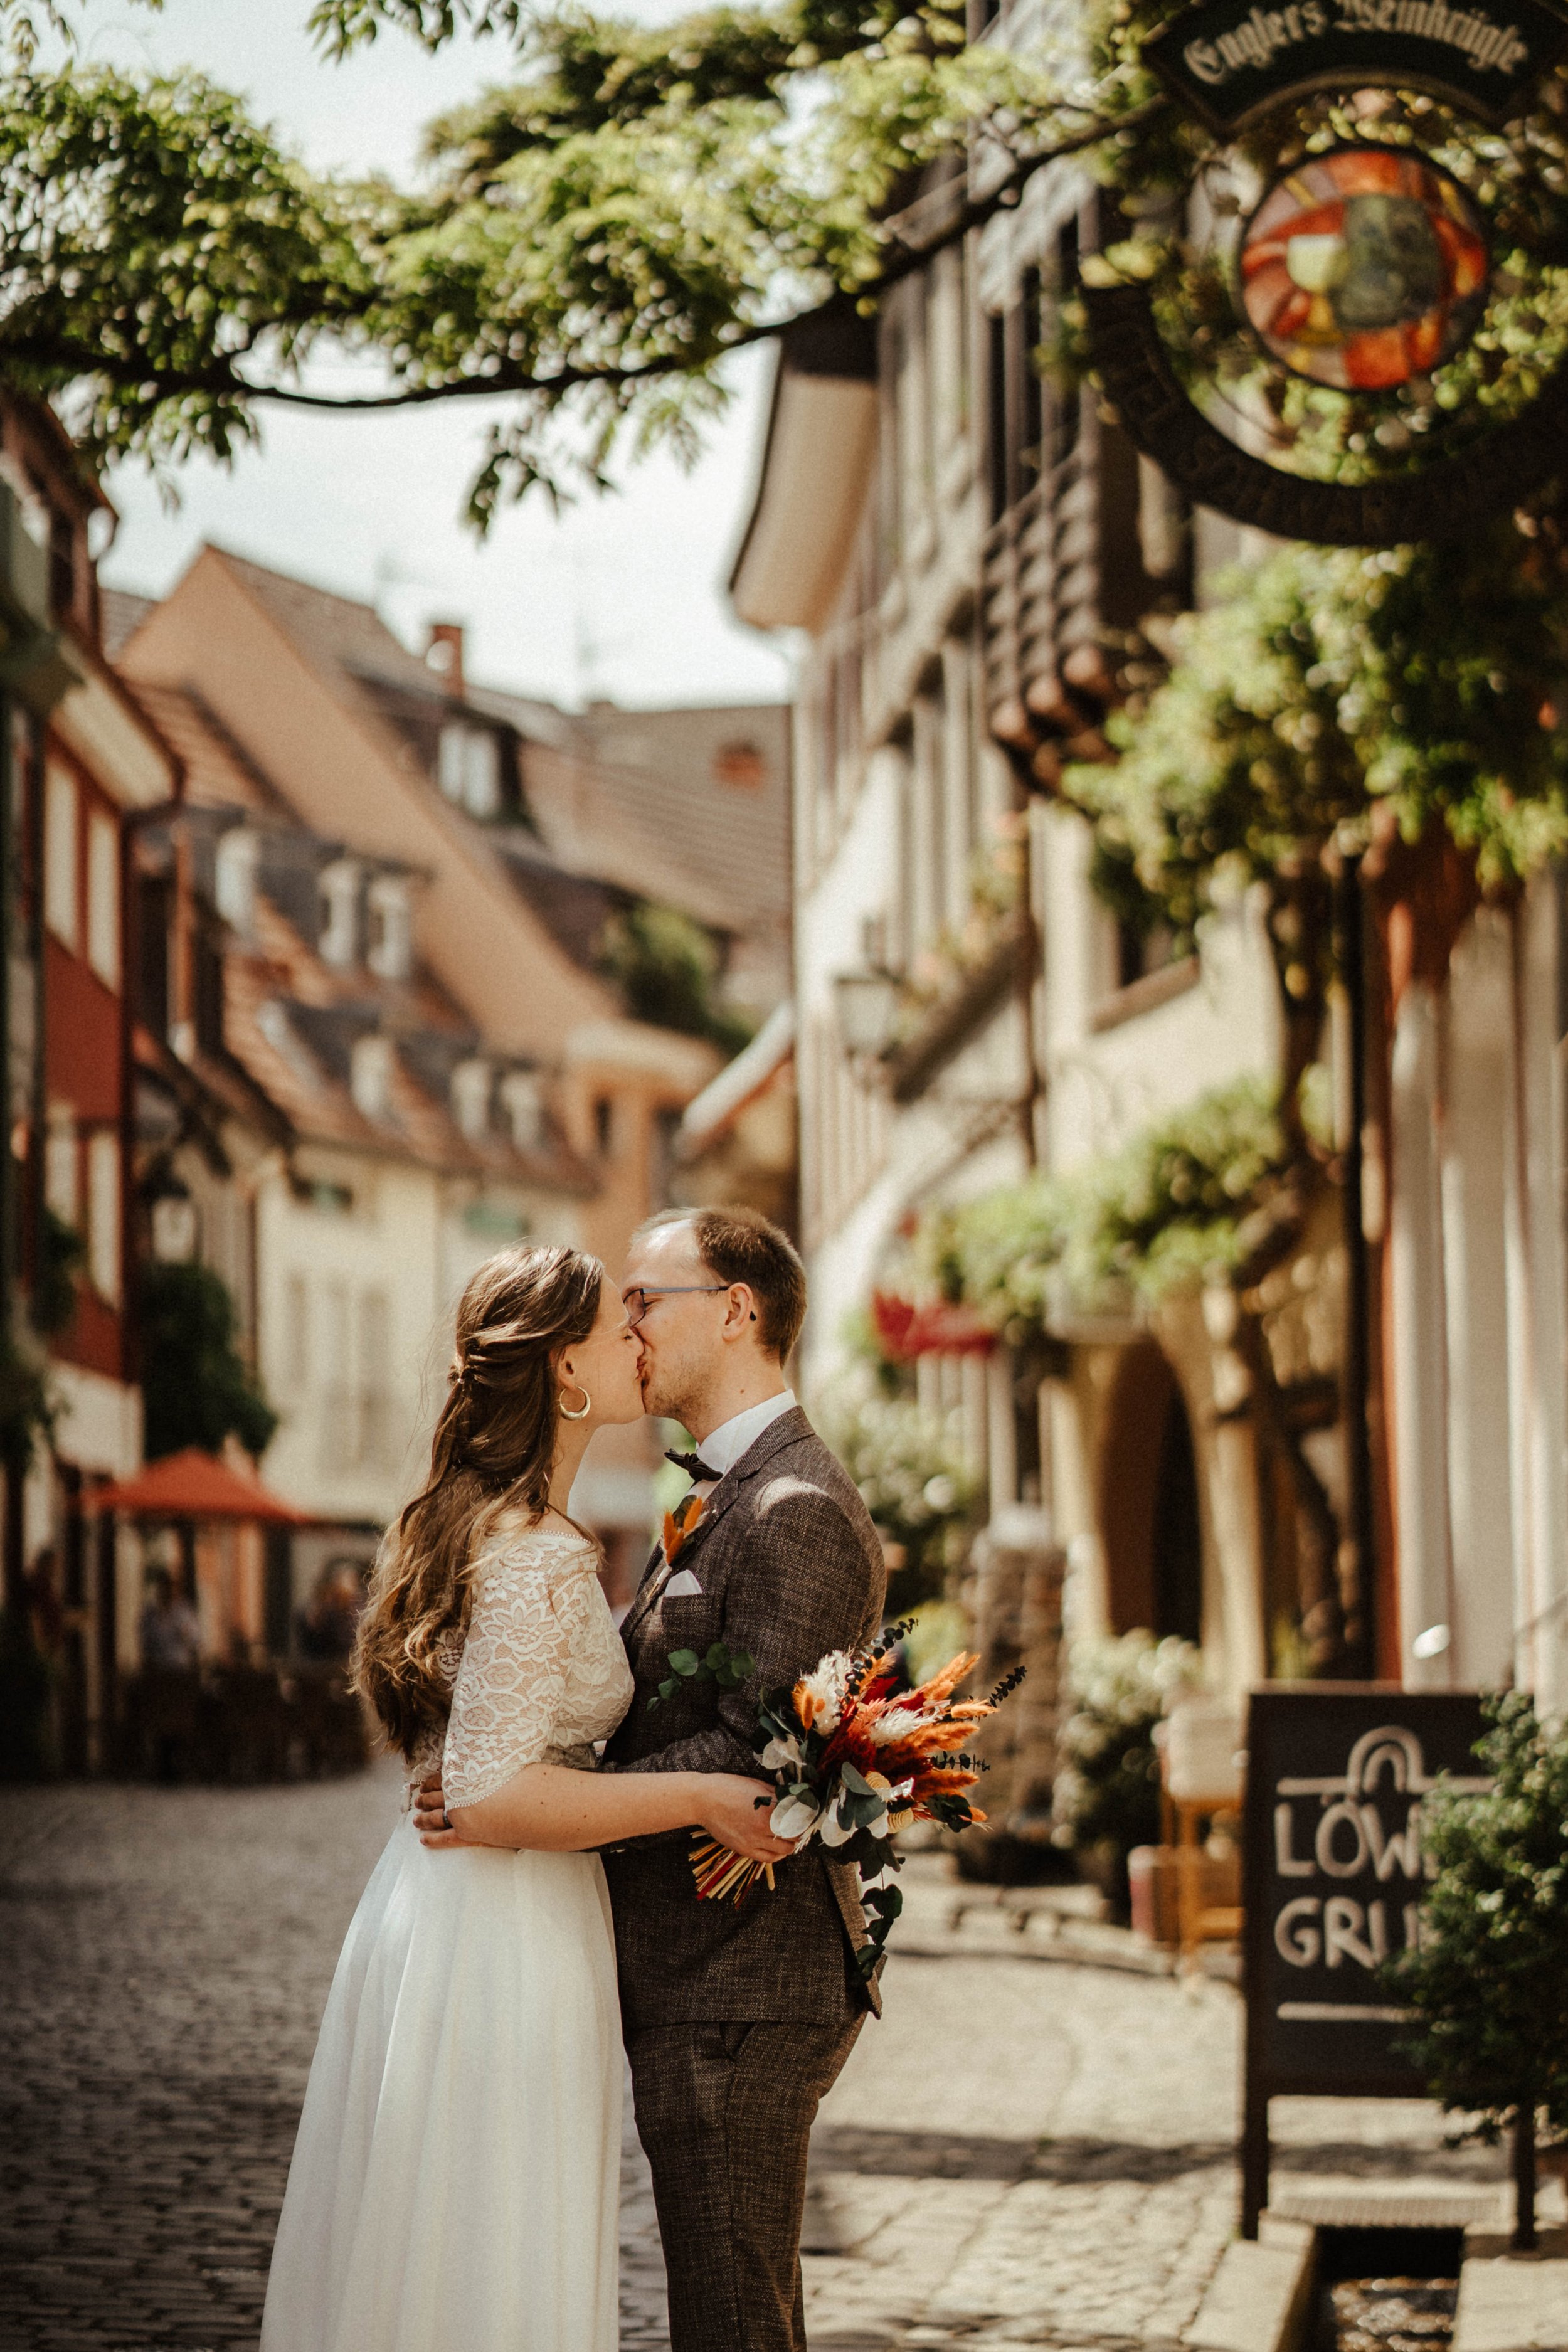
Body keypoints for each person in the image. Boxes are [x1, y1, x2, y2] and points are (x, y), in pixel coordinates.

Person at [259, 1242, 790, 2352]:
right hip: (502, 1926)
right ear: (562, 1371)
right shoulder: (536, 1550)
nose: (639, 1335)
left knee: (448, 2232)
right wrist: (700, 1796)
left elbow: (478, 1765)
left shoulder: (482, 1524)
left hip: (453, 1910)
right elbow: (494, 1793)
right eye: (618, 1324)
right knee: (490, 2243)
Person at [417, 1207, 887, 2352]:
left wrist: (530, 1792)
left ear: (736, 1311)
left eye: (646, 1298)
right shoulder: (730, 1492)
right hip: (704, 1971)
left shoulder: (795, 1506)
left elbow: (749, 1751)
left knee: (731, 2318)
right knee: (734, 2308)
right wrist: (520, 1775)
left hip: (744, 1979)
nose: (626, 1324)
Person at [138, 1565, 201, 1670]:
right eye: (163, 1587)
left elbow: (196, 1639)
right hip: (157, 1667)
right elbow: (145, 1639)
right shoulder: (150, 1613)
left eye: (169, 1587)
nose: (166, 1591)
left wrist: (186, 1634)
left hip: (179, 1667)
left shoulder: (184, 1612)